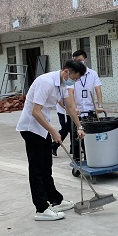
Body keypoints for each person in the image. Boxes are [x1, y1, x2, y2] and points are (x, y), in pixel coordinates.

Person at [16, 60, 87, 221]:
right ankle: (41, 209)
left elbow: (69, 107)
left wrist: (79, 126)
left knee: (46, 166)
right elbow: (35, 112)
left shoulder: (62, 84)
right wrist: (53, 131)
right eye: (75, 78)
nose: (75, 82)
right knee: (37, 169)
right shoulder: (46, 82)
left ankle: (55, 200)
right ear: (67, 72)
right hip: (31, 128)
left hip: (42, 128)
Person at [52, 50, 104, 160]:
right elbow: (70, 93)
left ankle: (91, 158)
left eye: (80, 60)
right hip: (74, 110)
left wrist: (100, 105)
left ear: (86, 60)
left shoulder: (92, 74)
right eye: (76, 61)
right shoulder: (71, 76)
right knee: (73, 134)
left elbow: (98, 89)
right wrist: (74, 108)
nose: (78, 63)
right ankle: (76, 158)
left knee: (90, 135)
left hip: (89, 109)